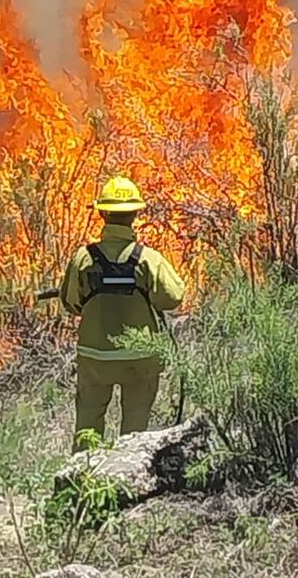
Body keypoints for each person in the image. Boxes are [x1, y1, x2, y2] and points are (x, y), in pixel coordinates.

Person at [60, 176, 185, 450]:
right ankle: (126, 481)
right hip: (140, 358)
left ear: (103, 213)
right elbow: (173, 297)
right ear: (135, 214)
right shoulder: (148, 259)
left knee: (88, 426)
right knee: (135, 433)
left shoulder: (83, 257)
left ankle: (83, 480)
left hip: (95, 357)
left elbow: (71, 303)